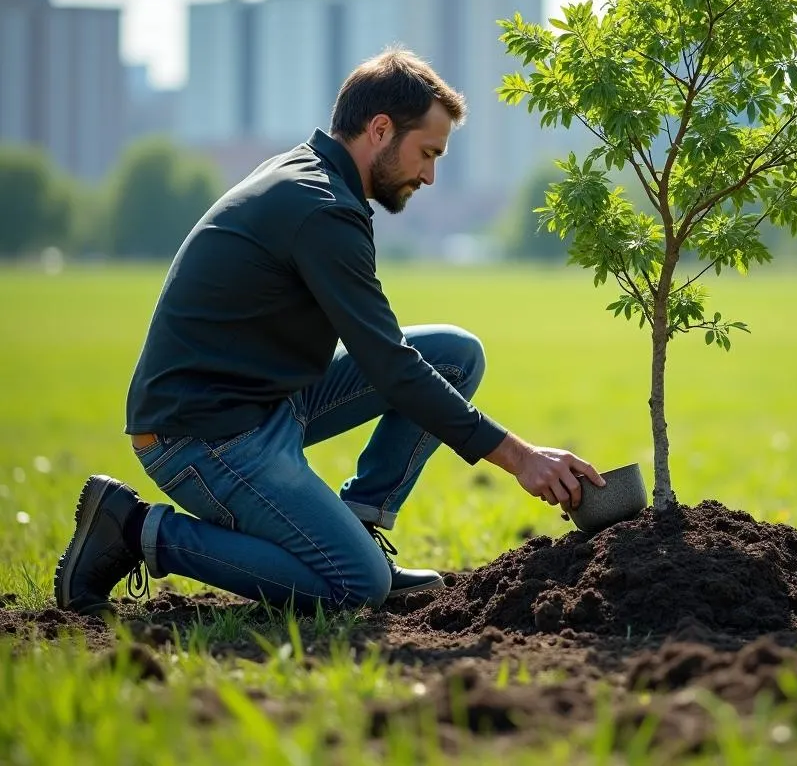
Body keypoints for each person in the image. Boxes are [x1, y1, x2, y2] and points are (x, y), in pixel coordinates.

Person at [54, 50, 604, 616]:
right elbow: (390, 365)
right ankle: (135, 529)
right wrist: (522, 458)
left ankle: (358, 525)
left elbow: (393, 358)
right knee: (355, 586)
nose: (429, 175)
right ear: (381, 129)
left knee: (455, 356)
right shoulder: (320, 207)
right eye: (427, 153)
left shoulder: (313, 175)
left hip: (264, 405)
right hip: (201, 437)